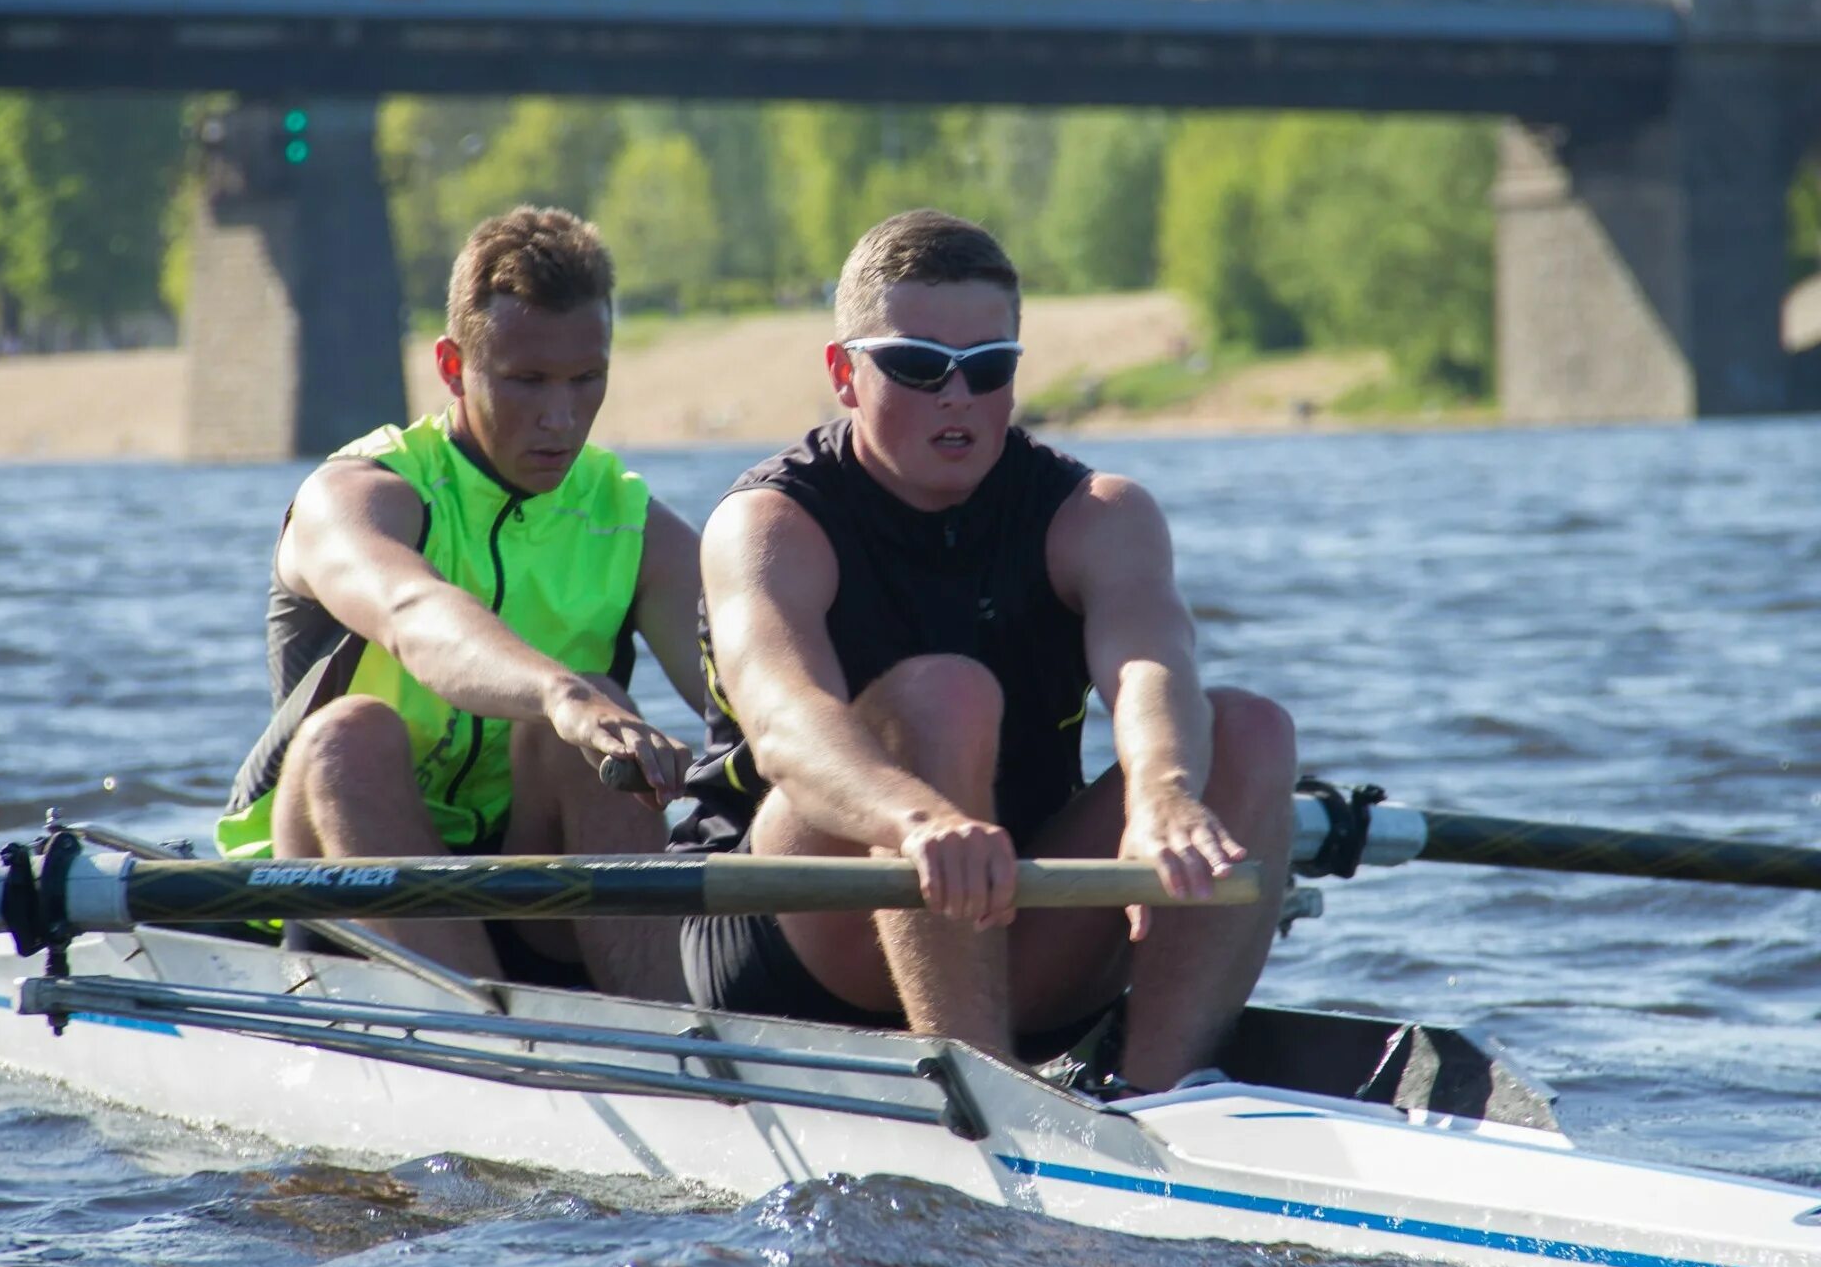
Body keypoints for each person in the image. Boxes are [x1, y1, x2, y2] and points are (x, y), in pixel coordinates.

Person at [672, 209, 1297, 1090]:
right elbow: (786, 726)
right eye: (919, 366)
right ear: (844, 374)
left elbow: (1152, 666)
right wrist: (915, 820)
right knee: (944, 694)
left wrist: (1163, 796)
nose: (955, 396)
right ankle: (987, 1100)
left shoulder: (1098, 517)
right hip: (793, 933)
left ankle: (1160, 1101)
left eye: (988, 367)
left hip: (1006, 911)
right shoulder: (771, 523)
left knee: (1249, 731)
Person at [217, 206, 702, 1000]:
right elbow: (413, 617)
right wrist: (560, 692)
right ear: (452, 366)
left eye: (588, 379)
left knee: (605, 730)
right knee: (352, 734)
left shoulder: (629, 519)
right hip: (335, 886)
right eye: (527, 381)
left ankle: (682, 1045)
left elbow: (753, 695)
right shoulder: (359, 495)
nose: (561, 417)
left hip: (525, 885)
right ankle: (493, 1044)